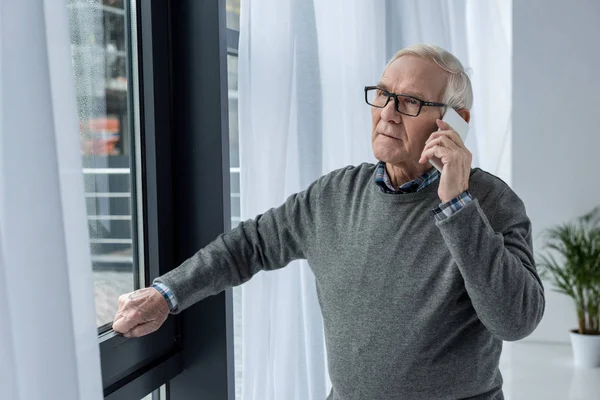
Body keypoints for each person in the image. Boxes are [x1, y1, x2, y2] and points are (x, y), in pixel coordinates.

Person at [112, 44, 545, 399]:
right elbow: (249, 245)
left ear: (453, 123)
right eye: (382, 94)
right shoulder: (333, 195)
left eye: (410, 101)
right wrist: (166, 293)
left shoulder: (490, 202)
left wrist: (457, 206)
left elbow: (516, 320)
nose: (388, 113)